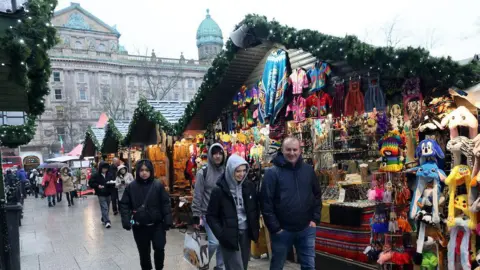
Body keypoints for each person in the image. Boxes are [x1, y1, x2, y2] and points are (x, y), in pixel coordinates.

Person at [261, 137, 322, 270]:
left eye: (295, 149)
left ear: (300, 151)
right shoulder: (272, 173)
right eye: (288, 149)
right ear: (282, 150)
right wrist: (275, 228)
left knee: (309, 266)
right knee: (277, 265)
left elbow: (317, 195)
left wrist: (314, 219)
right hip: (282, 230)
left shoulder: (308, 170)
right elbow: (266, 202)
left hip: (306, 228)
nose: (292, 153)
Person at [206, 155, 260, 270]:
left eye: (244, 170)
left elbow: (254, 208)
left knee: (243, 265)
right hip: (229, 234)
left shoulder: (249, 186)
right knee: (235, 267)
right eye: (238, 171)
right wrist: (221, 234)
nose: (242, 174)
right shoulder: (219, 190)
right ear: (230, 170)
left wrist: (254, 228)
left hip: (245, 232)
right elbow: (211, 216)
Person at [119, 159, 172, 270]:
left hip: (157, 225)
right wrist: (126, 220)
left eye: (147, 170)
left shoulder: (158, 185)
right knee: (144, 253)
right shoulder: (131, 187)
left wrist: (167, 220)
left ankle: (159, 268)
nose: (144, 173)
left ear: (151, 171)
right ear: (138, 171)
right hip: (139, 226)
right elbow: (124, 204)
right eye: (142, 170)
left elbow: (165, 203)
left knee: (159, 248)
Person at [192, 143, 226, 270]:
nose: (217, 156)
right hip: (207, 214)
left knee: (222, 241)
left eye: (220, 153)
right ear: (211, 155)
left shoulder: (226, 171)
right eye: (215, 153)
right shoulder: (203, 172)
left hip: (223, 214)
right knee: (214, 242)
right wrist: (196, 215)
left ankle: (220, 266)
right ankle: (203, 262)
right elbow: (198, 194)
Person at [89, 162, 115, 228]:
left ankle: (104, 218)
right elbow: (91, 183)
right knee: (104, 207)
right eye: (103, 169)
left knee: (108, 206)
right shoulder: (96, 175)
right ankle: (107, 221)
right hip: (100, 193)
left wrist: (112, 183)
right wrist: (97, 185)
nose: (105, 170)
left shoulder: (109, 174)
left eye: (106, 169)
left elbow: (113, 181)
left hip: (108, 193)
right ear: (100, 168)